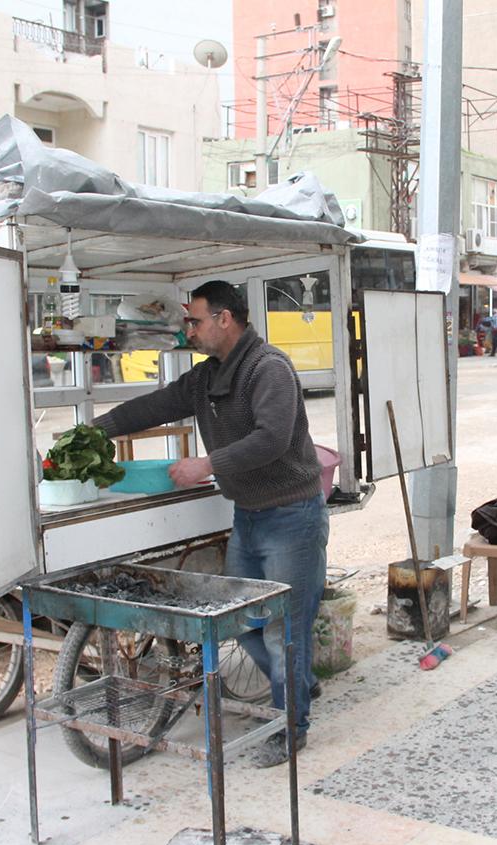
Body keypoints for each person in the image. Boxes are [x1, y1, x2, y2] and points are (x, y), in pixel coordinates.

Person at [92, 280, 327, 767]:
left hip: (291, 518)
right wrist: (98, 429)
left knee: (286, 629)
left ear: (225, 319)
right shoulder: (206, 378)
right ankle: (298, 683)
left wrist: (207, 464)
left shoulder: (269, 369)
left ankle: (291, 727)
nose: (189, 330)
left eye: (195, 321)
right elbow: (155, 405)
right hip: (249, 517)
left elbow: (272, 440)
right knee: (240, 624)